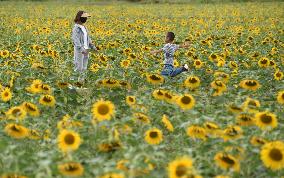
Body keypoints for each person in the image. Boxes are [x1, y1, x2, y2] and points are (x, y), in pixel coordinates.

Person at [72, 11, 96, 83]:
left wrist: (93, 47)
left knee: (84, 68)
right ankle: (75, 82)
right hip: (80, 50)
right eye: (84, 17)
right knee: (78, 67)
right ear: (79, 17)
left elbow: (88, 38)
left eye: (86, 18)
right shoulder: (76, 28)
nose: (86, 19)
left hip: (86, 49)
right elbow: (75, 39)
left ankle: (81, 83)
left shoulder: (84, 27)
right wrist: (81, 48)